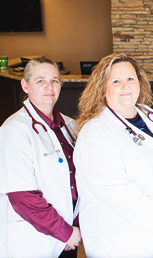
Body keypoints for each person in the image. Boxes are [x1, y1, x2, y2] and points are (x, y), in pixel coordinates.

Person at [73, 53, 153, 258]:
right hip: (121, 239)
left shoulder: (149, 116)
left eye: (130, 79)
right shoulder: (95, 133)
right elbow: (115, 191)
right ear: (102, 88)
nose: (126, 86)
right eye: (116, 81)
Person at [0, 58, 81, 258]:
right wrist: (66, 233)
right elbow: (22, 197)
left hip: (69, 235)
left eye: (55, 80)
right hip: (35, 239)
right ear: (25, 85)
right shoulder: (14, 130)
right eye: (40, 81)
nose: (49, 87)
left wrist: (76, 227)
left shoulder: (70, 126)